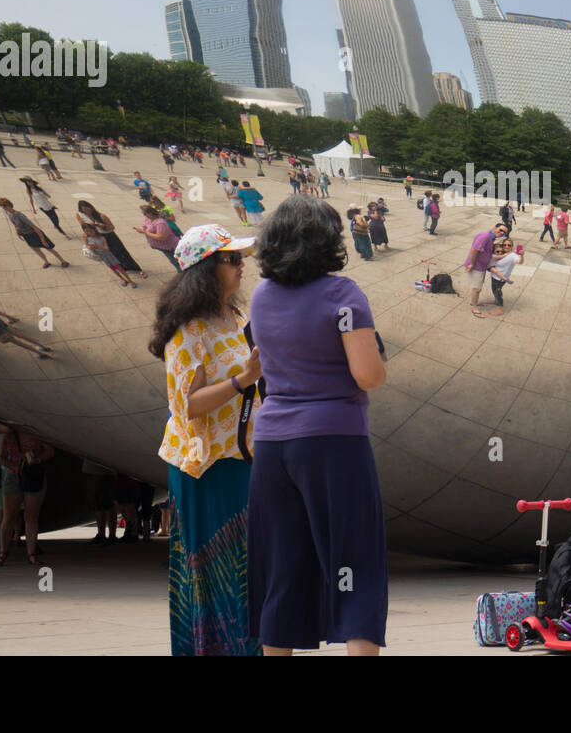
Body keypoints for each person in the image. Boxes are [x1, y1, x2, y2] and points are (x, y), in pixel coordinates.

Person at [247, 195, 389, 655]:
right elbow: (367, 374)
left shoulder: (261, 295)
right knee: (356, 561)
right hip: (333, 439)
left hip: (272, 443)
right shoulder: (342, 294)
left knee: (283, 567)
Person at [150, 223, 261, 656]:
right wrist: (242, 380)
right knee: (213, 572)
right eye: (232, 259)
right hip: (205, 467)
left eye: (240, 258)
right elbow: (186, 405)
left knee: (248, 569)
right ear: (205, 269)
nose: (241, 266)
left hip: (244, 458)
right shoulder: (188, 329)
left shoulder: (237, 318)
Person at [0, 428, 53, 565]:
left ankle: (31, 553)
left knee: (31, 517)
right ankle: (3, 552)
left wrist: (37, 459)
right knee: (8, 516)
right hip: (13, 475)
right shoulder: (9, 435)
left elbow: (50, 451)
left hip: (33, 475)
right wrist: (15, 467)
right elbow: (1, 456)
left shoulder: (37, 433)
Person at [76, 200, 146, 278]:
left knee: (122, 251)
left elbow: (112, 227)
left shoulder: (101, 216)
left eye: (88, 209)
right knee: (112, 254)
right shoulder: (80, 215)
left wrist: (100, 225)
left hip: (109, 236)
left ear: (91, 208)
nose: (87, 212)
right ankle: (123, 267)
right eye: (84, 210)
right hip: (98, 237)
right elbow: (83, 226)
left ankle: (136, 268)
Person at [0, 198, 70, 269]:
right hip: (27, 235)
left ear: (10, 205)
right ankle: (46, 261)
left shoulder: (20, 215)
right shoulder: (9, 214)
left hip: (35, 234)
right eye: (2, 206)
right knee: (36, 249)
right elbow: (15, 224)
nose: (4, 208)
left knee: (48, 248)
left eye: (5, 206)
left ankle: (63, 261)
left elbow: (35, 228)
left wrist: (43, 240)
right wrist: (17, 231)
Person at [462, 222, 509, 318]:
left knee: (477, 287)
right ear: (495, 227)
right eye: (500, 230)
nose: (501, 233)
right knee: (477, 288)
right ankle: (474, 308)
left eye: (504, 233)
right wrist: (471, 264)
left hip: (481, 266)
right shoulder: (485, 236)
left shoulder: (491, 238)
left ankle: (473, 302)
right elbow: (474, 250)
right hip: (476, 266)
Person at [134, 205, 180, 270]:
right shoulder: (148, 219)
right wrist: (142, 230)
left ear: (150, 213)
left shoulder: (160, 223)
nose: (144, 215)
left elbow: (161, 237)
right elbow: (146, 228)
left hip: (170, 246)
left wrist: (146, 232)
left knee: (176, 262)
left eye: (145, 214)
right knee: (174, 261)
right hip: (162, 247)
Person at [485, 238, 522, 313]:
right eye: (504, 245)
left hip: (499, 279)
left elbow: (519, 262)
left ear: (512, 246)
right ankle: (496, 301)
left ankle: (500, 308)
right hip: (495, 277)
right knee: (495, 290)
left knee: (497, 292)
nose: (506, 246)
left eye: (509, 245)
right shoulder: (502, 253)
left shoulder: (513, 255)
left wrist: (522, 255)